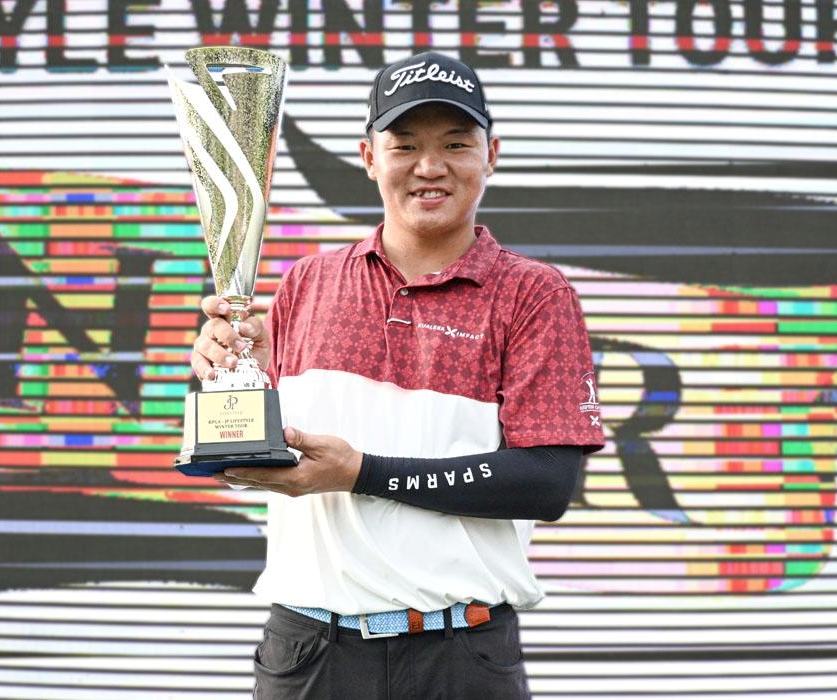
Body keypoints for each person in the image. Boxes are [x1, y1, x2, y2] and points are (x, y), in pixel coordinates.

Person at [190, 51, 605, 699]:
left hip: (460, 656)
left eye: (456, 144)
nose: (429, 166)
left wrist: (361, 473)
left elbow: (546, 482)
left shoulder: (533, 294)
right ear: (369, 157)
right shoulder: (307, 283)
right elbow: (252, 457)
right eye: (405, 144)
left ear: (491, 155)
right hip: (310, 654)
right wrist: (229, 372)